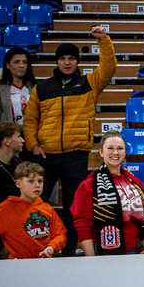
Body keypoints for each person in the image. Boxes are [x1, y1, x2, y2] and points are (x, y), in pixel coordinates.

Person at [24, 27, 116, 254]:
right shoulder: (42, 87)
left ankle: (69, 252)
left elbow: (109, 68)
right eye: (63, 58)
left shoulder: (89, 83)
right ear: (56, 61)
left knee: (74, 210)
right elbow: (31, 119)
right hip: (46, 157)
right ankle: (35, 249)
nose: (67, 63)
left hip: (76, 157)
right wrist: (33, 145)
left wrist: (104, 41)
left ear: (77, 61)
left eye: (71, 58)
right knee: (36, 207)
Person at [71, 131, 144, 256]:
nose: (115, 152)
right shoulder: (88, 185)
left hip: (136, 251)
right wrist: (91, 259)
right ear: (101, 152)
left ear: (125, 152)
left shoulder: (135, 182)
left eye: (120, 148)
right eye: (110, 148)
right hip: (103, 253)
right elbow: (83, 224)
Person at [0, 161, 64, 265]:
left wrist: (51, 247)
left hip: (46, 264)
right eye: (31, 181)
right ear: (18, 183)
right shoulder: (6, 209)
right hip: (18, 266)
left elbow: (60, 234)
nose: (37, 185)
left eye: (40, 181)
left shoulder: (47, 208)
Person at [0, 47, 36, 124]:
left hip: (32, 129)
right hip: (7, 130)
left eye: (25, 62)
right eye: (17, 62)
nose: (22, 65)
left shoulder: (36, 86)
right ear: (8, 65)